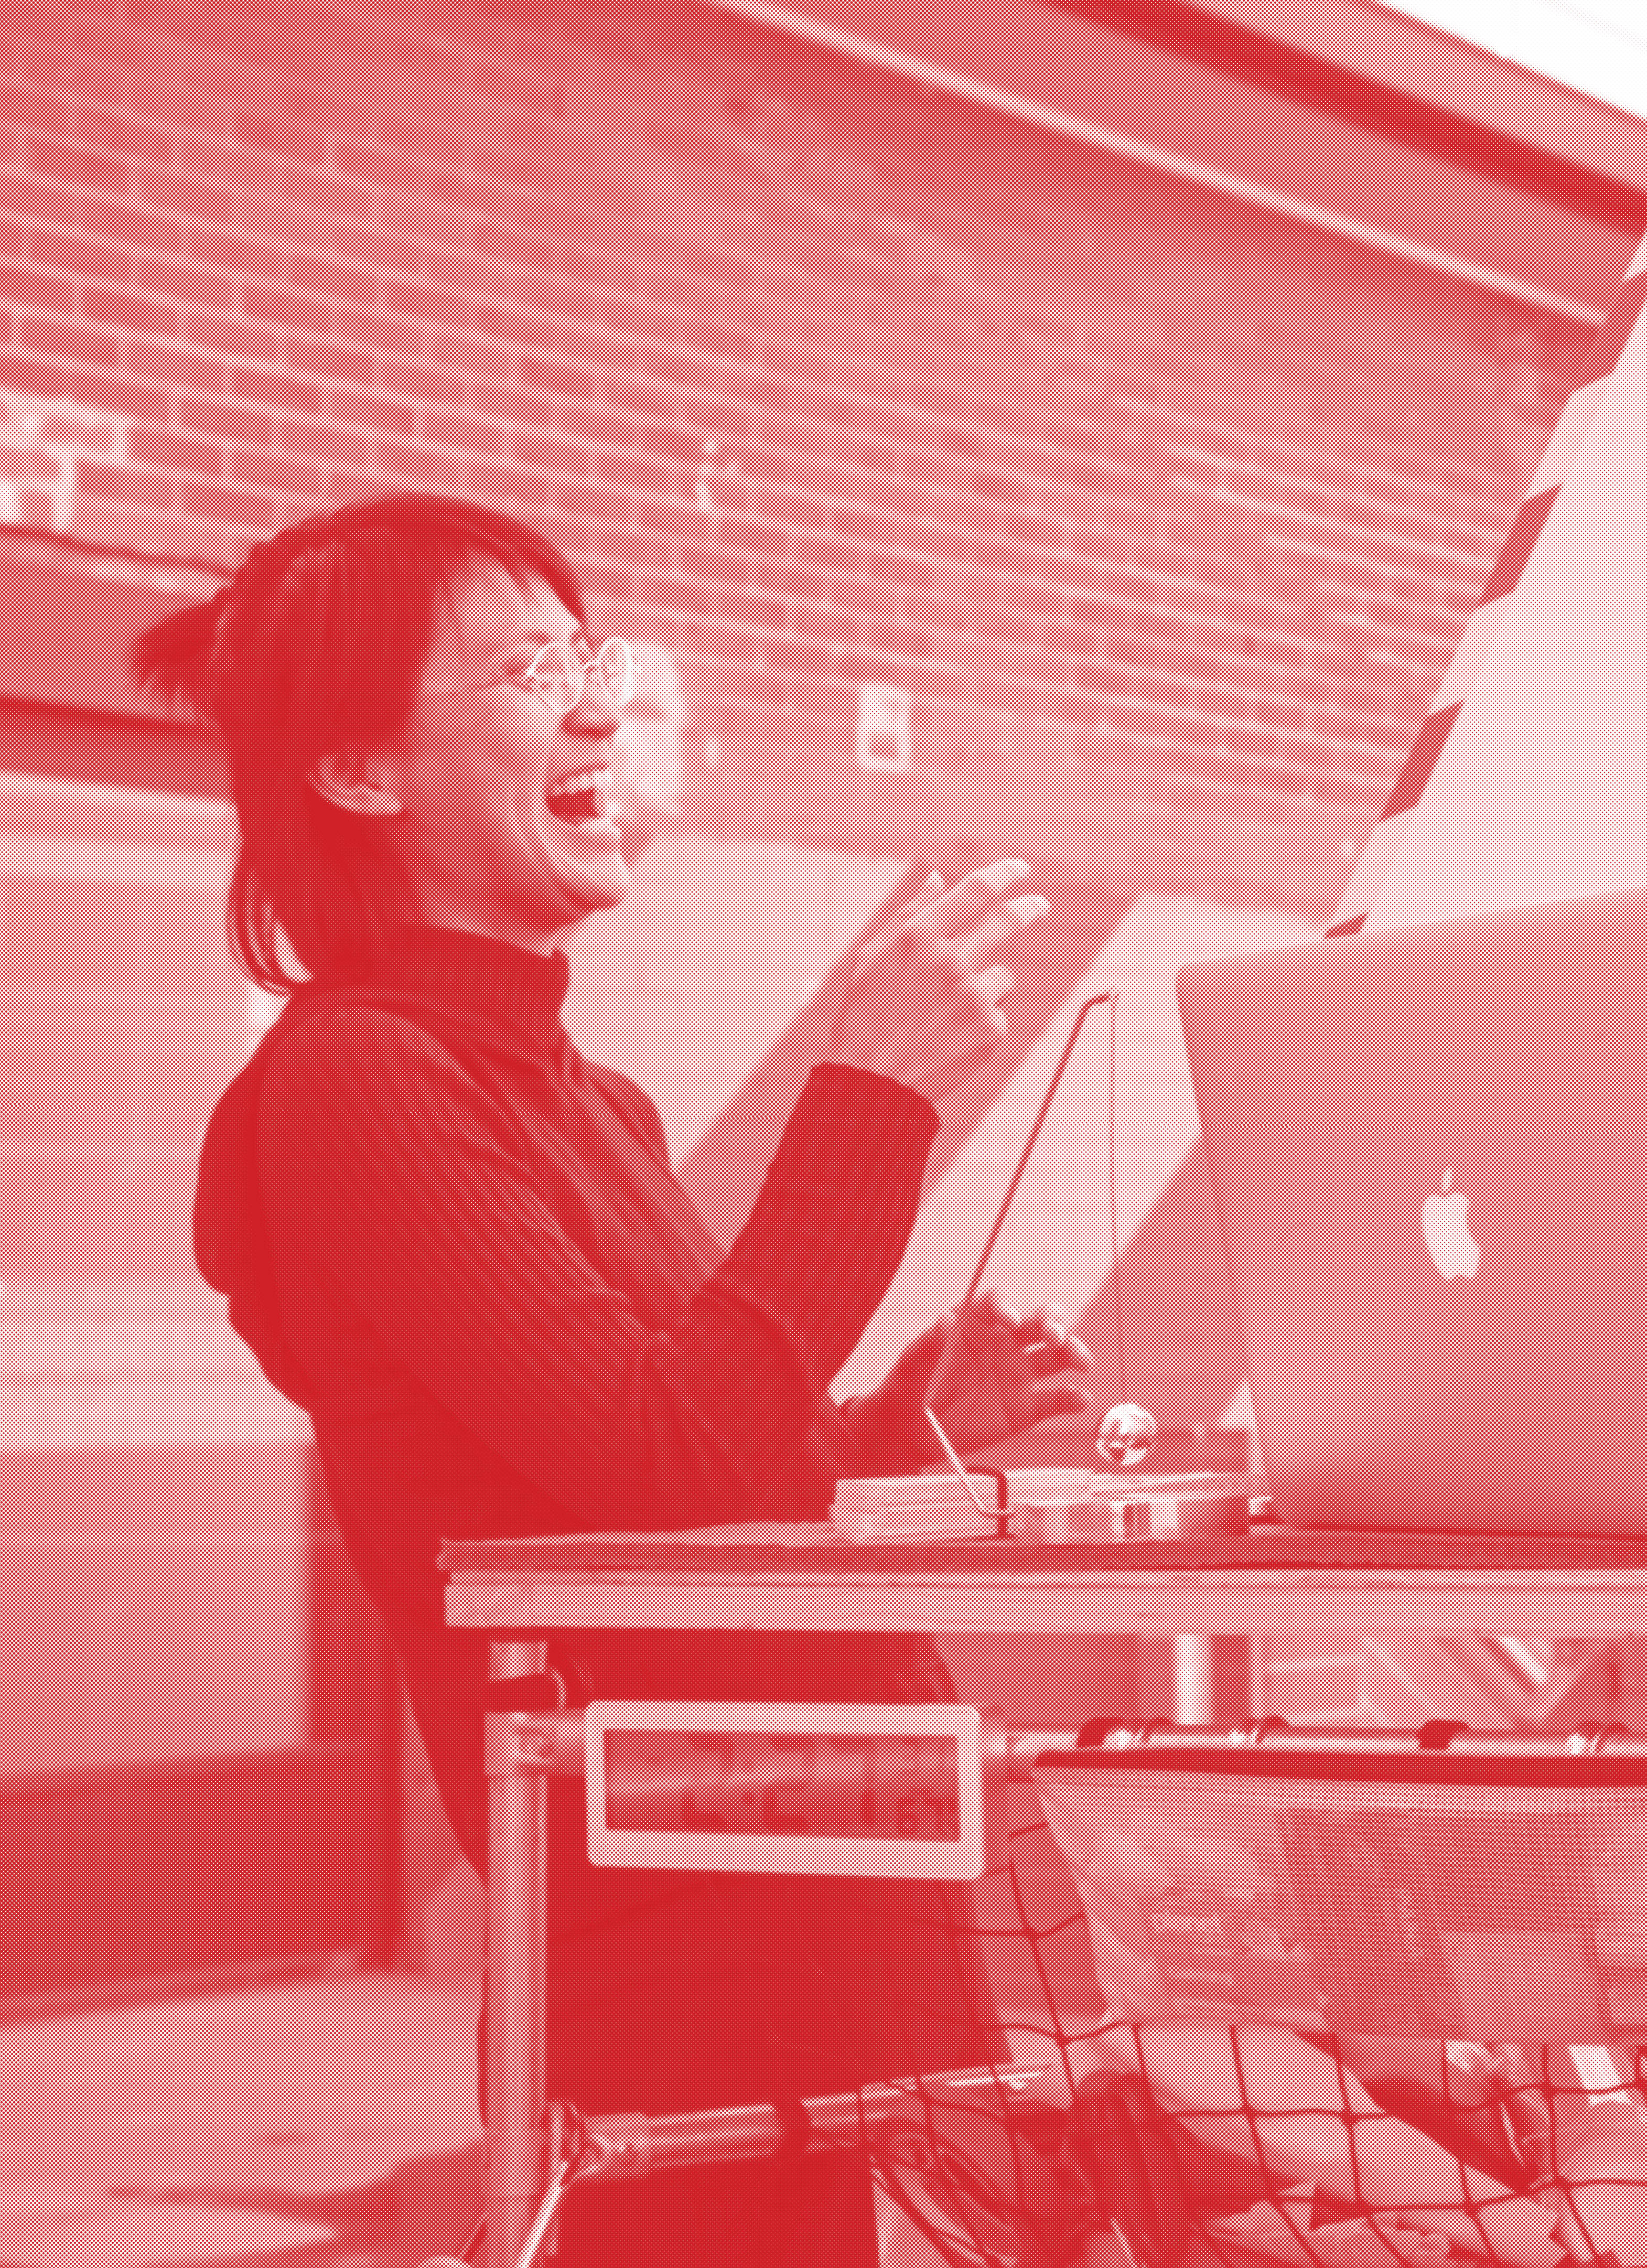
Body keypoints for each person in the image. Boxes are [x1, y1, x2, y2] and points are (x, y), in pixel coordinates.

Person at [162, 493, 1095, 2263]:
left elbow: (732, 1464)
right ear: (360, 774)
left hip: (813, 1855)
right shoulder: (361, 1079)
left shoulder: (592, 1102)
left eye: (594, 659)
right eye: (531, 670)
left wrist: (912, 1425)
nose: (600, 708)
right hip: (672, 1918)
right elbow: (665, 1465)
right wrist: (870, 1099)